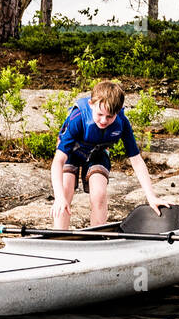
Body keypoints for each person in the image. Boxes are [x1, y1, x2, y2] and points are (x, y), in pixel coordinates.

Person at [50, 79, 171, 229]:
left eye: (109, 116)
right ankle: (59, 236)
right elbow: (58, 161)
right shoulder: (78, 118)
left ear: (118, 111)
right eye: (100, 114)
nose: (103, 120)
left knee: (99, 194)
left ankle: (97, 238)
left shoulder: (122, 122)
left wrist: (151, 196)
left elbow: (136, 160)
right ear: (91, 104)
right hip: (72, 152)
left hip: (98, 152)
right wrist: (59, 198)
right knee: (65, 190)